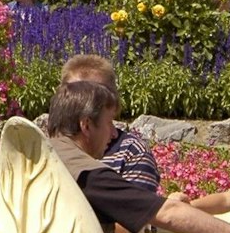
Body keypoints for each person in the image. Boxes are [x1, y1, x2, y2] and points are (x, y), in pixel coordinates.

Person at [43, 81, 230, 233]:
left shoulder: (39, 155)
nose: (113, 133)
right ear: (86, 125)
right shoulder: (89, 174)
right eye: (109, 122)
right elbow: (168, 213)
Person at [61, 53, 161, 193]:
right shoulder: (47, 145)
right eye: (75, 93)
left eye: (96, 94)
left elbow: (138, 211)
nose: (83, 101)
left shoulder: (131, 153)